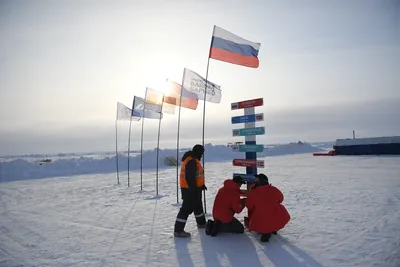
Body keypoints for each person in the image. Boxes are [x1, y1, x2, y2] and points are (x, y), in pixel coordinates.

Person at [174, 144, 207, 238]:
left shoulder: (192, 159)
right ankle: (178, 230)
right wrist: (194, 189)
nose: (202, 155)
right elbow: (189, 178)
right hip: (190, 189)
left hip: (193, 188)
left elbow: (196, 176)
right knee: (186, 209)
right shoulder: (192, 161)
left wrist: (201, 185)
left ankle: (201, 223)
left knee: (198, 206)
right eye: (201, 153)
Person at [246, 173, 291, 242]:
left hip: (261, 220)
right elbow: (281, 199)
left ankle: (265, 233)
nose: (255, 181)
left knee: (260, 215)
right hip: (277, 218)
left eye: (256, 180)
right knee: (279, 208)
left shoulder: (254, 193)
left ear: (259, 182)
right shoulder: (274, 189)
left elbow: (249, 206)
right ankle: (273, 228)